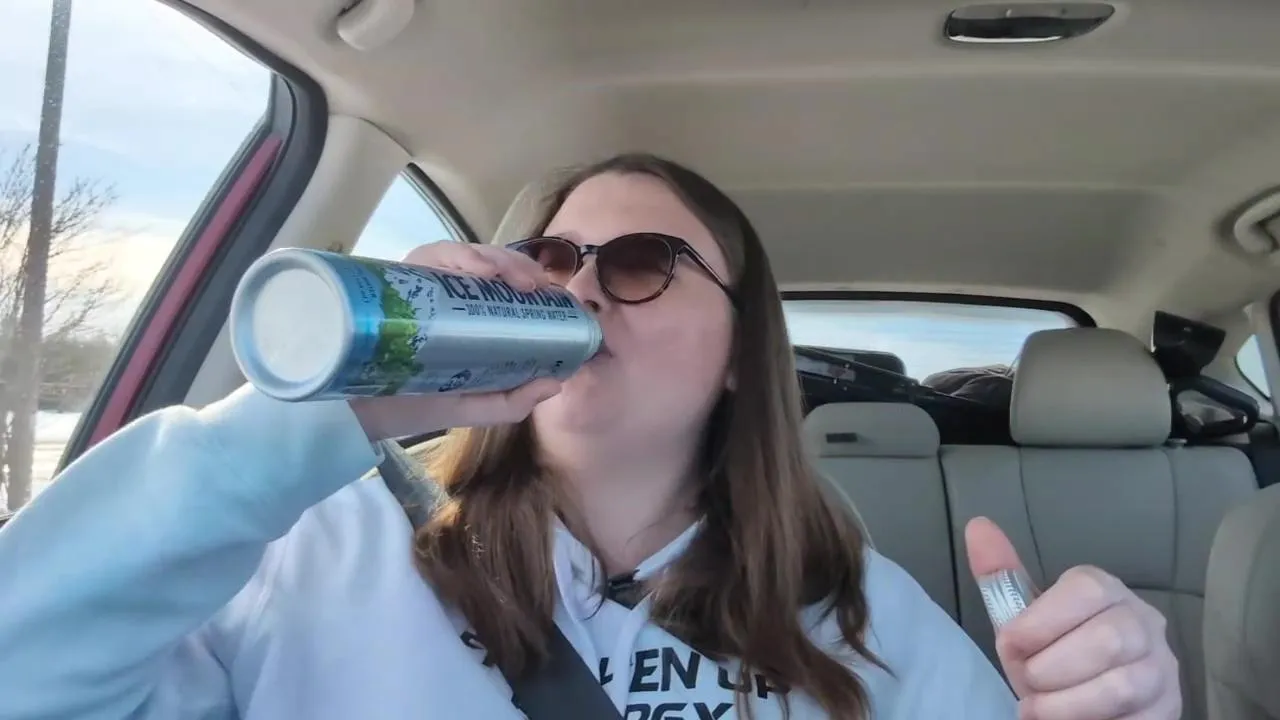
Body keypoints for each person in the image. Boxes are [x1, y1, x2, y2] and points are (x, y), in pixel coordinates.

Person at [0, 153, 1179, 719]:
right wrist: (327, 416)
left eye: (641, 263)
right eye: (555, 258)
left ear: (739, 355)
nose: (576, 292)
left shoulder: (855, 613)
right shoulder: (316, 545)